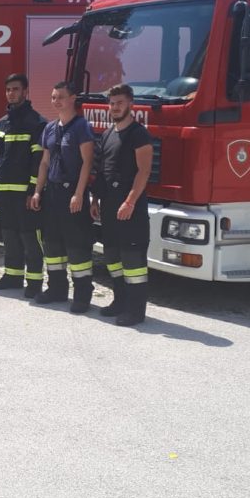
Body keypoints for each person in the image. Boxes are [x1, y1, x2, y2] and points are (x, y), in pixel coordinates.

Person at [30, 82, 97, 314]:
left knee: (76, 246)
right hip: (52, 194)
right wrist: (38, 191)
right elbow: (45, 162)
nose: (56, 101)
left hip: (72, 194)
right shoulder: (49, 128)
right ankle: (57, 289)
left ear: (72, 99)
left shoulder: (81, 127)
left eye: (60, 97)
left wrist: (79, 193)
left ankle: (82, 295)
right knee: (52, 244)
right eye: (53, 97)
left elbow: (87, 162)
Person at [92, 83, 153, 326]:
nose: (115, 107)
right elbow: (102, 170)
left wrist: (130, 201)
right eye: (112, 103)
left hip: (130, 209)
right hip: (109, 207)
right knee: (113, 257)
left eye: (120, 103)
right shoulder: (108, 134)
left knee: (133, 261)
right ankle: (120, 302)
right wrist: (95, 200)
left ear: (131, 104)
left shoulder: (139, 134)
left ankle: (136, 311)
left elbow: (144, 171)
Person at [0, 74, 47, 298]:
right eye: (8, 90)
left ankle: (34, 282)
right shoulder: (3, 122)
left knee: (29, 238)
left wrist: (33, 191)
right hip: (4, 192)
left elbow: (38, 161)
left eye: (15, 89)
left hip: (24, 193)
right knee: (9, 236)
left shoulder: (37, 122)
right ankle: (12, 276)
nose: (11, 93)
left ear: (25, 91)